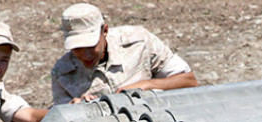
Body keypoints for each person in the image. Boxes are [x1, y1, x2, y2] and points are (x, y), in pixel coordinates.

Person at [51, 3, 198, 105]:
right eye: (77, 48)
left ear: (105, 31)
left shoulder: (140, 42)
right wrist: (77, 109)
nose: (85, 55)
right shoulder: (63, 73)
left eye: (91, 46)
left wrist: (146, 86)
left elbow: (189, 81)